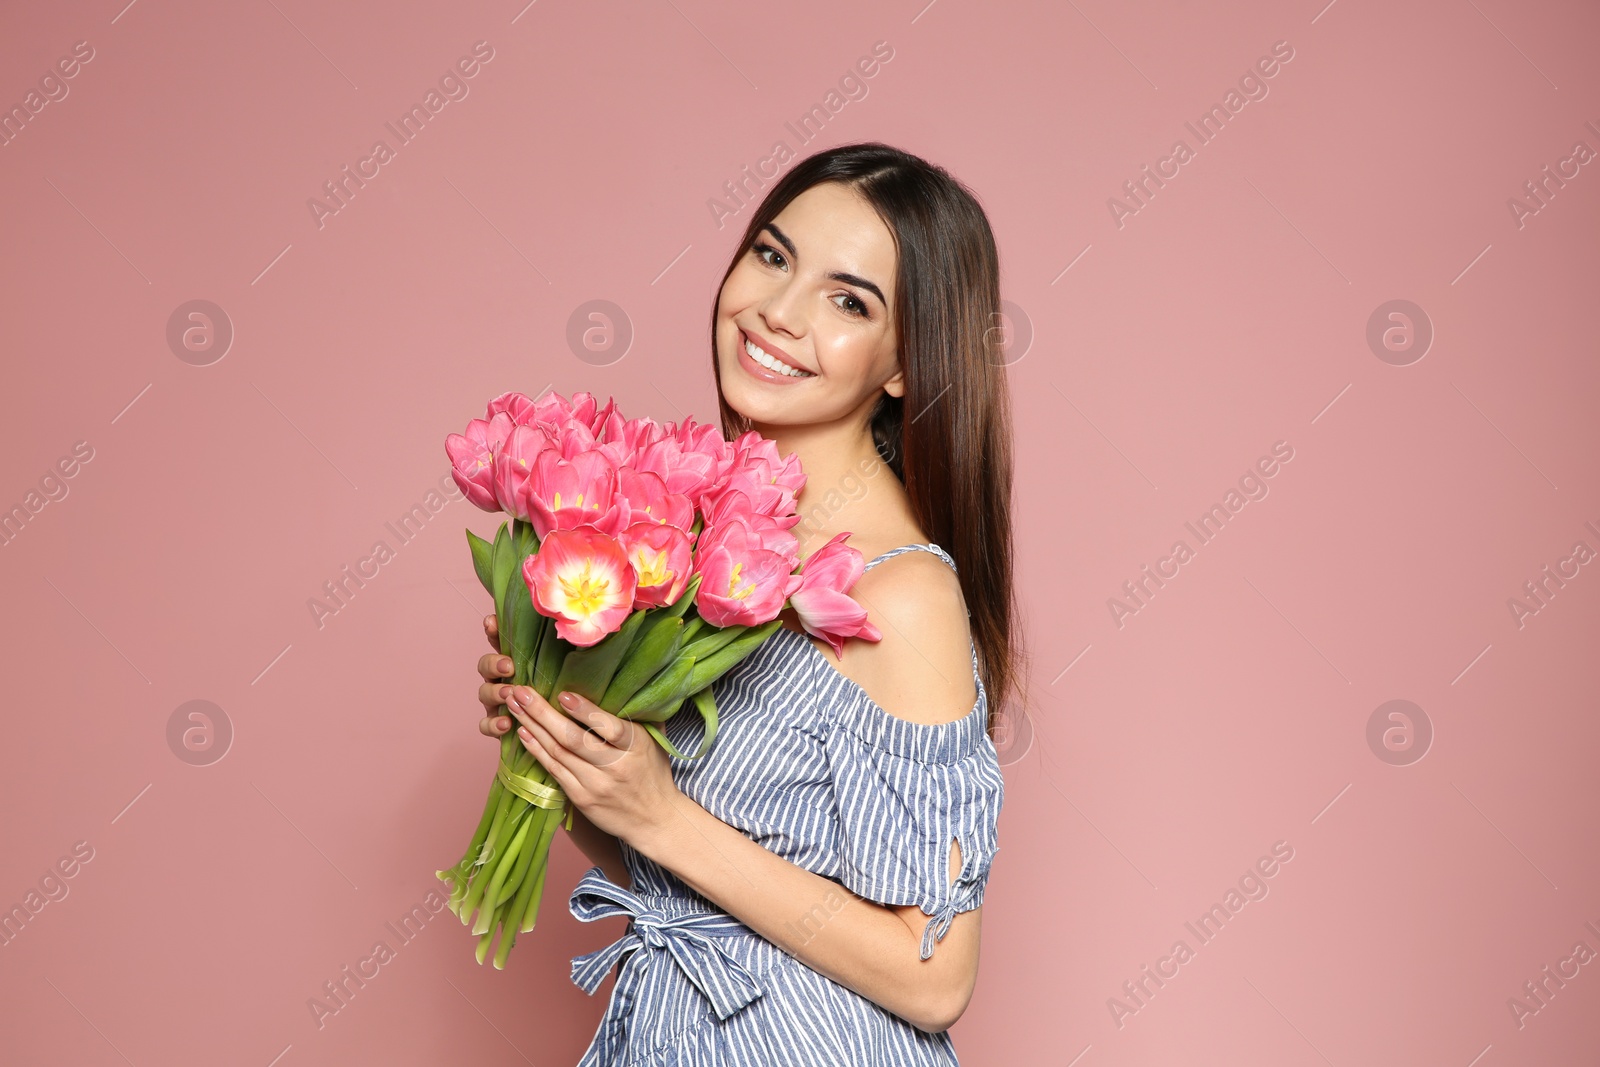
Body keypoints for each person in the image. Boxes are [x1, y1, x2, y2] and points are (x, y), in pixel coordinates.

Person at [473, 142, 1026, 1065]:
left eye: (849, 301)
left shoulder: (901, 594)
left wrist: (659, 814)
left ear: (903, 364)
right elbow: (687, 878)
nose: (777, 310)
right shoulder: (699, 540)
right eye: (773, 255)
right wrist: (561, 748)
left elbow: (938, 977)